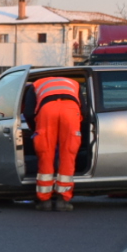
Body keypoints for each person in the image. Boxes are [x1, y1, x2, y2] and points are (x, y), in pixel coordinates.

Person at [21, 74, 82, 211]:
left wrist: (35, 129)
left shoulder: (35, 85)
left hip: (47, 110)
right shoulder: (74, 82)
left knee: (45, 153)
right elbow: (83, 109)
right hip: (71, 110)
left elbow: (29, 112)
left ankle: (45, 201)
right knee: (68, 154)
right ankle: (63, 200)